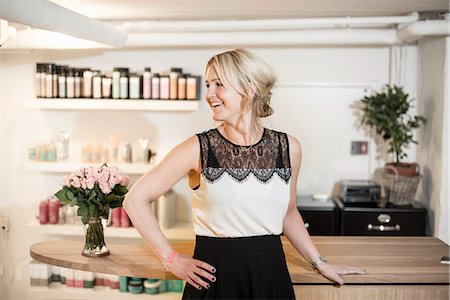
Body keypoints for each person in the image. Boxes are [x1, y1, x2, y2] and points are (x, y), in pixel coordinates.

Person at [123, 48, 366, 299]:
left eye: (219, 84)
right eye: (208, 84)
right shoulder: (197, 148)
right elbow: (135, 199)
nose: (209, 94)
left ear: (250, 88)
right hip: (214, 277)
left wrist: (320, 262)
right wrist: (170, 258)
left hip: (270, 273)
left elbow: (289, 214)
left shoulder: (289, 148)